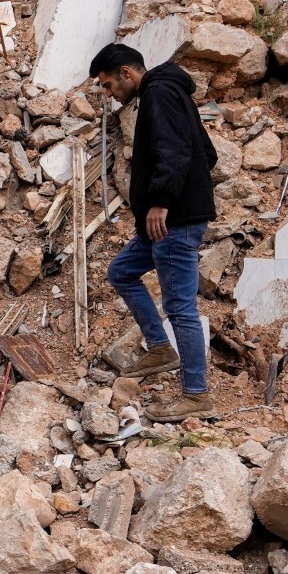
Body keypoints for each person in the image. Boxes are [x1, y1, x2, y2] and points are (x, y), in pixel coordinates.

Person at [91, 42, 216, 419]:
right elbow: (206, 154)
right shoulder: (168, 94)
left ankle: (196, 395)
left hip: (172, 221)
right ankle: (161, 348)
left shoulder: (160, 94)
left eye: (109, 85)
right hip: (163, 221)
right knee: (122, 272)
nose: (109, 94)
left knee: (180, 306)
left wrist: (163, 201)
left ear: (126, 73)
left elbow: (175, 151)